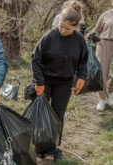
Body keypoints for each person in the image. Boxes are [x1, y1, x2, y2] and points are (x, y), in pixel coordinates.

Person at [31, 3, 88, 161]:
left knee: (58, 116)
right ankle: (35, 145)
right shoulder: (50, 36)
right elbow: (35, 59)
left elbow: (83, 61)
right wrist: (39, 81)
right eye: (61, 26)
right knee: (40, 113)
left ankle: (55, 148)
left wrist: (82, 77)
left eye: (67, 29)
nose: (63, 30)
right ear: (59, 22)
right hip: (45, 81)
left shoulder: (79, 41)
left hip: (65, 83)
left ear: (76, 27)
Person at [92, 0, 113, 111]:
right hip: (104, 43)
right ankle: (102, 99)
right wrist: (89, 36)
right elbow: (97, 29)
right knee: (102, 72)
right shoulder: (105, 15)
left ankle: (111, 93)